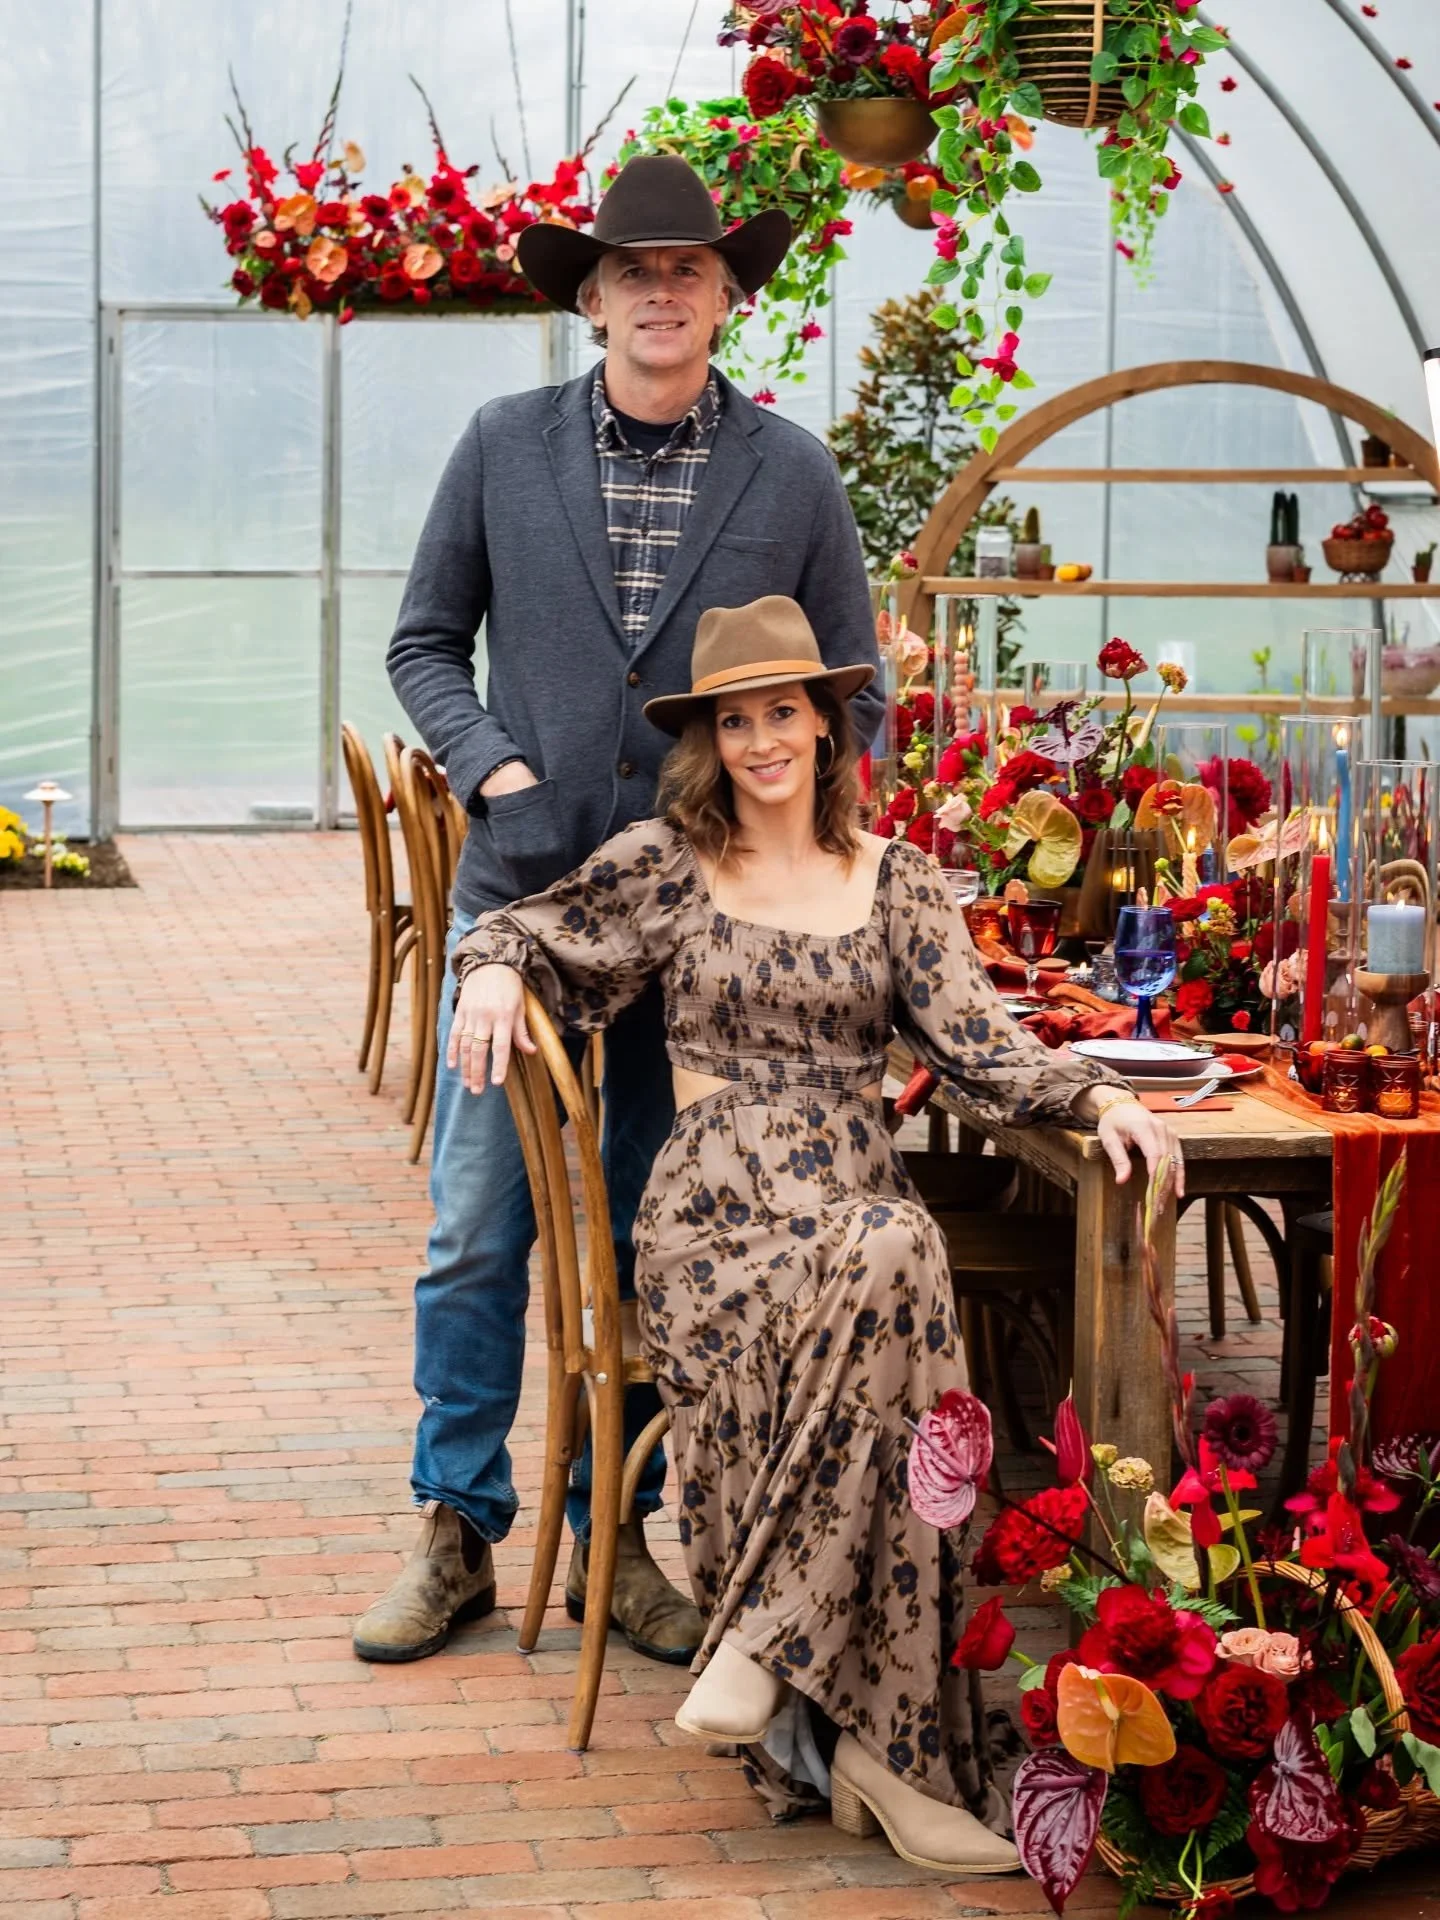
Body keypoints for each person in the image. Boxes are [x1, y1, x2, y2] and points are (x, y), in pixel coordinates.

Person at [445, 595, 1181, 1871]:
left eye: (782, 712)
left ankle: (781, 1663)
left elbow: (982, 1047)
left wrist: (1102, 1090)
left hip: (852, 1208)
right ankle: (884, 1759)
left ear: (827, 725)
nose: (761, 741)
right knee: (903, 1268)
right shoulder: (669, 862)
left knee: (892, 1256)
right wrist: (494, 969)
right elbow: (525, 926)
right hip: (716, 1221)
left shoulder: (895, 881)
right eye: (736, 720)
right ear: (711, 741)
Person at [357, 154, 883, 1668]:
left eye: (692, 269)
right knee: (477, 1232)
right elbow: (420, 645)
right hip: (516, 910)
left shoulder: (788, 471)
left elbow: (860, 689)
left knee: (658, 1238)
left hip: (696, 942)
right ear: (590, 297)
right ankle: (455, 1528)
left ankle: (619, 1537)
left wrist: (808, 855)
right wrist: (497, 769)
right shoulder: (501, 445)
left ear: (729, 296)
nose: (663, 290)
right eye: (633, 270)